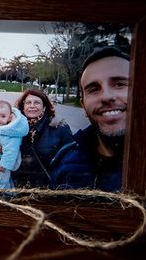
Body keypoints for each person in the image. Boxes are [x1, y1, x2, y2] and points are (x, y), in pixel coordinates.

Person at [51, 47, 130, 191]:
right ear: (83, 105)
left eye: (120, 84)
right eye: (94, 89)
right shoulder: (65, 163)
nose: (106, 96)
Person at [8, 89, 75, 188]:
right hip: (18, 188)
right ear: (23, 107)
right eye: (28, 103)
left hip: (47, 189)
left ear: (44, 107)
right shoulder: (12, 128)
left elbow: (71, 161)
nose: (32, 106)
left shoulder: (59, 128)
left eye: (37, 103)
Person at [0, 100, 28, 189]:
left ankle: (3, 194)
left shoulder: (11, 134)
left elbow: (11, 152)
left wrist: (4, 165)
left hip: (2, 163)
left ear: (9, 117)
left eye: (3, 116)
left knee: (2, 180)